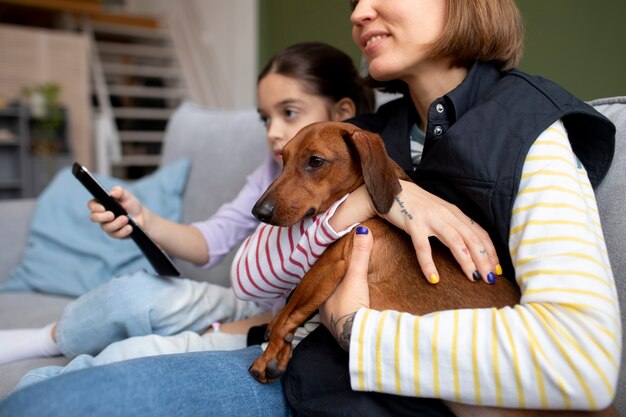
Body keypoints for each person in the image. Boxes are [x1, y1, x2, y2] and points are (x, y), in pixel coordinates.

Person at [0, 0, 619, 416]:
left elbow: (585, 360)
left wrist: (357, 329)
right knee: (43, 392)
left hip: (360, 388)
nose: (356, 12)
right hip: (307, 370)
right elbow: (256, 261)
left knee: (53, 405)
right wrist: (395, 197)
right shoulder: (370, 133)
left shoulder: (531, 132)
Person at [0, 41, 374, 386]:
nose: (274, 132)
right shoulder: (271, 168)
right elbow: (212, 239)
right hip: (253, 300)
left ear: (343, 111)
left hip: (289, 320)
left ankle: (41, 391)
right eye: (265, 118)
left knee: (131, 357)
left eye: (289, 112)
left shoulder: (362, 174)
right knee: (133, 294)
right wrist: (143, 219)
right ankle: (45, 339)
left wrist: (233, 330)